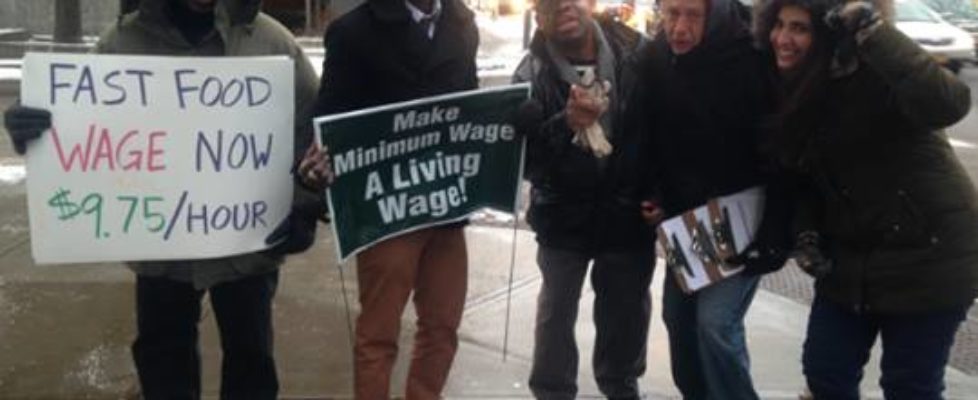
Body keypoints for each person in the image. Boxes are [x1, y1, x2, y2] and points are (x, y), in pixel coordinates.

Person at [3, 0, 321, 398]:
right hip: (160, 246)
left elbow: (314, 133)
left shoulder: (272, 41)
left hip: (247, 246)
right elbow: (75, 115)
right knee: (163, 363)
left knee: (252, 362)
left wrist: (304, 205)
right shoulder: (121, 41)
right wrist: (32, 127)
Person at [756, 0, 978, 398]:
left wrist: (876, 34)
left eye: (800, 28)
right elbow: (806, 180)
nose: (783, 39)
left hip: (930, 256)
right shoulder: (795, 87)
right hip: (851, 257)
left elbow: (950, 102)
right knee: (825, 373)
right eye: (779, 25)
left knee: (910, 386)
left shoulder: (876, 74)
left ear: (828, 34)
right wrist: (806, 233)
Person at [310, 0, 478, 397]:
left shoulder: (462, 24)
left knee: (443, 326)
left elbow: (471, 106)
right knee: (379, 335)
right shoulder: (353, 31)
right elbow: (328, 118)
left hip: (444, 205)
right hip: (387, 209)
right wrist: (315, 162)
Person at [639, 0, 787, 398]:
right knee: (678, 319)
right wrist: (654, 191)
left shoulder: (752, 59)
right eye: (671, 14)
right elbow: (650, 135)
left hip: (741, 218)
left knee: (716, 325)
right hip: (687, 223)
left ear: (715, 13)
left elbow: (779, 150)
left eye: (691, 15)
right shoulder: (656, 57)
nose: (679, 27)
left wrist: (775, 228)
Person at [512, 0, 657, 397]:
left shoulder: (640, 54)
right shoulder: (529, 74)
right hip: (562, 218)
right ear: (538, 15)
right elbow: (523, 165)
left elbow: (664, 127)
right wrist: (565, 124)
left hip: (627, 214)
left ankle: (621, 386)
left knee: (626, 314)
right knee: (556, 314)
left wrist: (659, 192)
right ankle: (552, 392)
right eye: (548, 3)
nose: (562, 6)